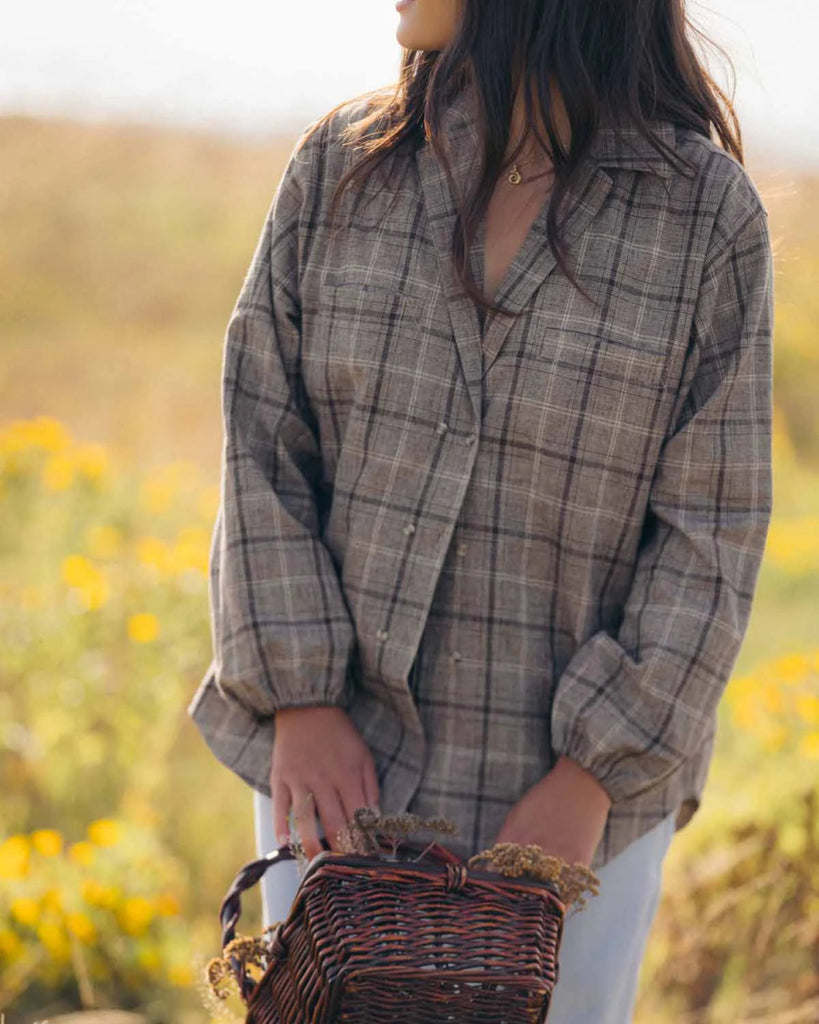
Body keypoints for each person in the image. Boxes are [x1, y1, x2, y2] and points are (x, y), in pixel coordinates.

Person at [187, 0, 774, 1019]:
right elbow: (261, 437)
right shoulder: (339, 167)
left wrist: (593, 775)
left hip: (567, 823)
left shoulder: (706, 223)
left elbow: (711, 532)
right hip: (330, 788)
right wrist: (303, 696)